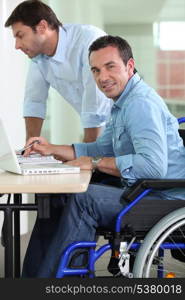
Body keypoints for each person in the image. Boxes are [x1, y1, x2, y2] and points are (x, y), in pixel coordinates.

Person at [22, 35, 185, 277]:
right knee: (58, 194)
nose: (102, 77)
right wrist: (52, 148)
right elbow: (98, 149)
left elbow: (153, 167)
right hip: (143, 190)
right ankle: (34, 279)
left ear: (129, 66)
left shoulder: (140, 104)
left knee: (83, 199)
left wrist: (96, 164)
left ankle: (61, 282)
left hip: (163, 199)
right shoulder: (122, 103)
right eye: (96, 70)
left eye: (110, 67)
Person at [5, 0, 112, 142]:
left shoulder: (89, 41)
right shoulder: (38, 57)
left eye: (20, 35)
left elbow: (96, 104)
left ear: (42, 27)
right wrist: (30, 147)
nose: (17, 46)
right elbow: (34, 101)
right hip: (103, 133)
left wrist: (87, 154)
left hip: (127, 127)